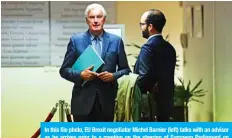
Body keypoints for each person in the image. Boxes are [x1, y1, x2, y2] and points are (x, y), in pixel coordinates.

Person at [59, 3, 131, 122]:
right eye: (92, 17)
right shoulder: (76, 40)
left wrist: (113, 76)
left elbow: (126, 70)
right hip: (82, 102)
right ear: (87, 20)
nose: (96, 21)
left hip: (107, 102)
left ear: (104, 19)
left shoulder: (116, 41)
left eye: (99, 17)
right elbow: (64, 70)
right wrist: (80, 75)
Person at [134, 9, 176, 122]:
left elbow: (144, 77)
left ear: (150, 26)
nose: (141, 28)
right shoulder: (170, 48)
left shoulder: (148, 48)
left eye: (142, 24)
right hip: (166, 105)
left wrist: (131, 88)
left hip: (150, 108)